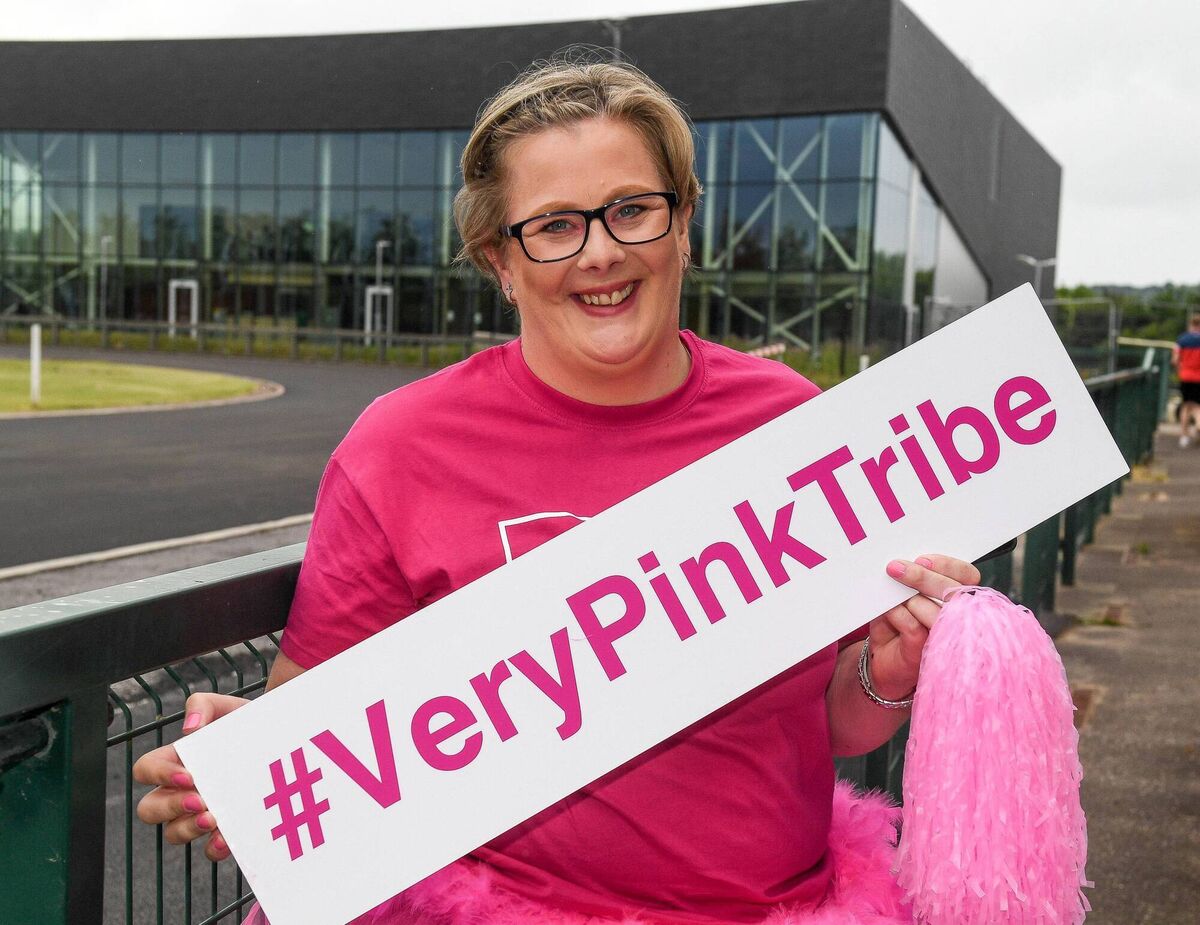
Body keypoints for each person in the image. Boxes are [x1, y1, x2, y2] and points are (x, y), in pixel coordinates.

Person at [134, 57, 979, 924]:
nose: (601, 251)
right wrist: (249, 764)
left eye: (632, 209)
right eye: (553, 225)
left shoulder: (795, 423)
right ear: (499, 259)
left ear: (683, 222)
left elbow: (831, 720)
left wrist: (888, 669)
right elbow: (320, 714)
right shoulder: (401, 447)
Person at [1173, 314, 1200, 447]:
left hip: (1185, 376)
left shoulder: (1182, 340)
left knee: (1186, 406)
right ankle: (1198, 424)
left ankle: (1184, 436)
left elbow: (1175, 360)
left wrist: (1180, 371)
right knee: (1196, 406)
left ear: (1191, 324)